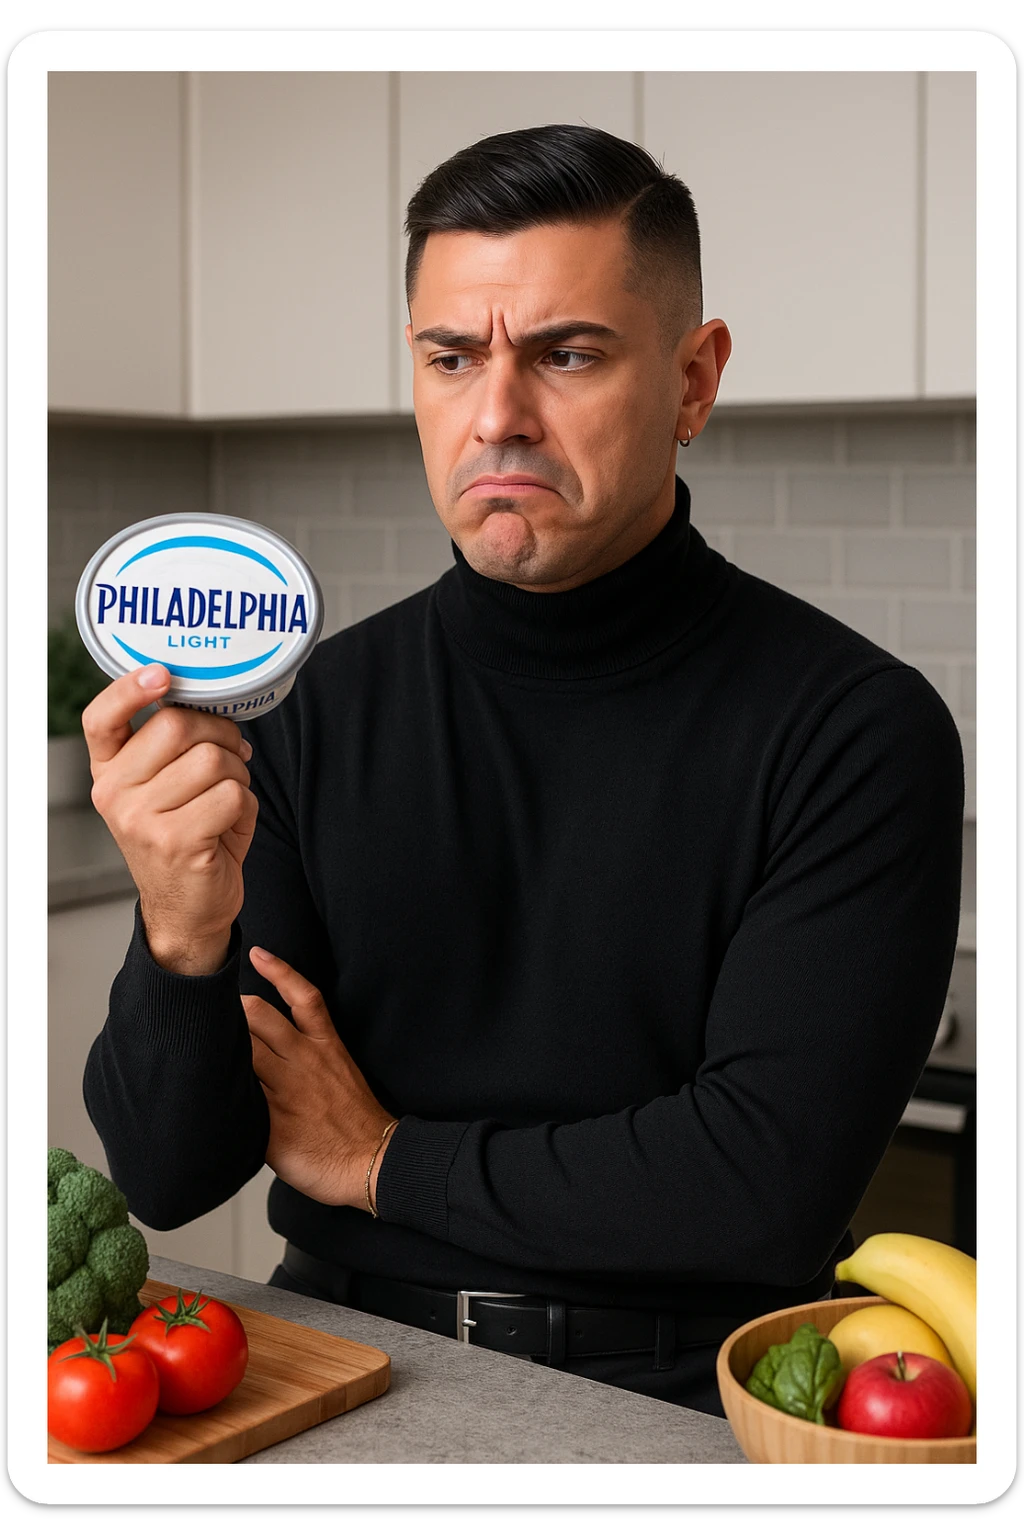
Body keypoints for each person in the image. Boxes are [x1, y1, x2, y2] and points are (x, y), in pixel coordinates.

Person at [81, 124, 964, 1417]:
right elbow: (166, 1179)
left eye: (567, 354)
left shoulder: (855, 730)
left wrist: (384, 1162)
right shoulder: (313, 710)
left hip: (681, 1396)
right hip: (332, 1360)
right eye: (453, 358)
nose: (497, 415)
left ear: (694, 381)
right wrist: (179, 934)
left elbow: (759, 1184)